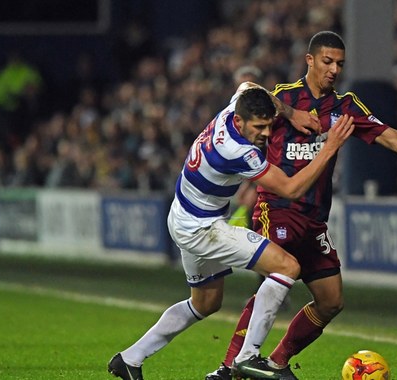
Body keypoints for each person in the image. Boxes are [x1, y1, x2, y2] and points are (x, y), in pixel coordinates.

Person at [206, 31, 397, 380]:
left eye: (339, 64)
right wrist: (291, 112)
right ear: (309, 60)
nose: (333, 69)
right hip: (277, 206)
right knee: (275, 280)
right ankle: (229, 367)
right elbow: (249, 89)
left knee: (331, 301)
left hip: (313, 219)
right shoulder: (284, 97)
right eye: (327, 61)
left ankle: (277, 362)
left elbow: (394, 138)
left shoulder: (345, 107)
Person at [107, 83, 355, 380]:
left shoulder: (235, 107)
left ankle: (130, 358)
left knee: (205, 303)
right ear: (240, 122)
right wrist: (329, 148)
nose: (265, 133)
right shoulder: (237, 151)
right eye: (259, 127)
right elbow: (291, 188)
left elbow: (249, 85)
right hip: (203, 228)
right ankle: (248, 357)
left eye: (268, 125)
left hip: (183, 216)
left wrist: (289, 112)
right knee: (286, 266)